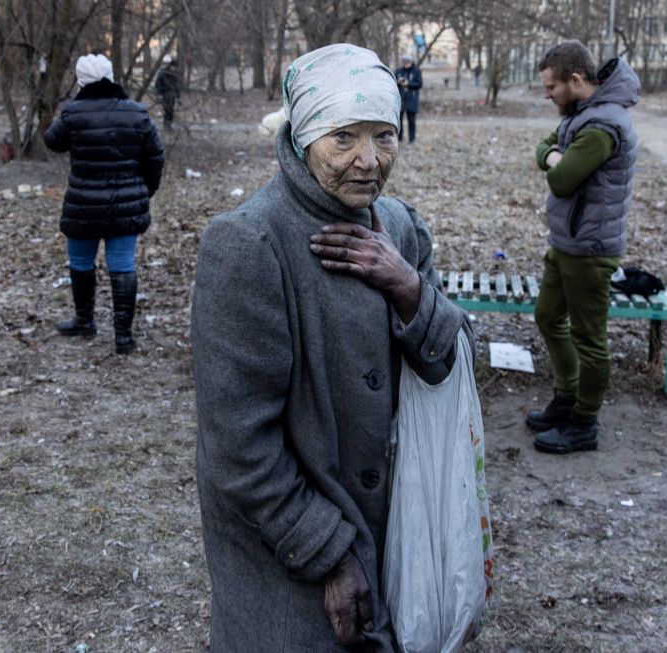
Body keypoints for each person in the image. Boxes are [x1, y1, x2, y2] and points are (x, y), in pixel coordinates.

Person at [191, 43, 470, 651]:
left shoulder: (399, 227)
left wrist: (407, 287)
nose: (369, 161)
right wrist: (326, 551)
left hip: (390, 530)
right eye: (343, 137)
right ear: (303, 137)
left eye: (384, 136)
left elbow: (448, 362)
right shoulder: (249, 244)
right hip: (287, 548)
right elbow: (239, 445)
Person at [526, 40, 640, 454]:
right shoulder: (579, 114)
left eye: (552, 87)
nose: (547, 94)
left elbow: (561, 178)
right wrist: (555, 155)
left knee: (589, 338)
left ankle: (584, 423)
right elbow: (543, 148)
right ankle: (567, 396)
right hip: (568, 240)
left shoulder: (601, 126)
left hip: (590, 249)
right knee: (547, 316)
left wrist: (555, 159)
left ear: (576, 80)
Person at [43, 53, 165, 354]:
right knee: (122, 265)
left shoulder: (73, 113)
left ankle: (85, 321)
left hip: (83, 204)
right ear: (111, 77)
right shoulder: (137, 112)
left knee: (81, 263)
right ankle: (123, 336)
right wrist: (144, 191)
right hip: (126, 205)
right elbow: (155, 157)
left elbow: (52, 141)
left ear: (81, 80)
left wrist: (67, 111)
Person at [394, 54, 422, 143]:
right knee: (399, 120)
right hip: (401, 98)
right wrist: (399, 82)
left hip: (412, 98)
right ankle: (399, 138)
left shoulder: (416, 71)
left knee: (411, 121)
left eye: (407, 63)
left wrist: (408, 83)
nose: (405, 64)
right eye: (404, 63)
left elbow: (419, 84)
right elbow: (393, 81)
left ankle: (412, 138)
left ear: (411, 62)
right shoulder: (399, 71)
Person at [154, 58, 181, 130]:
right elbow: (158, 84)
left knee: (171, 110)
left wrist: (178, 97)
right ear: (171, 66)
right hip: (165, 94)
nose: (175, 69)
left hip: (172, 95)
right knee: (167, 110)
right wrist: (159, 94)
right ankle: (166, 125)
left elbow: (177, 86)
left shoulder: (174, 75)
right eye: (174, 67)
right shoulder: (163, 73)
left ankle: (169, 125)